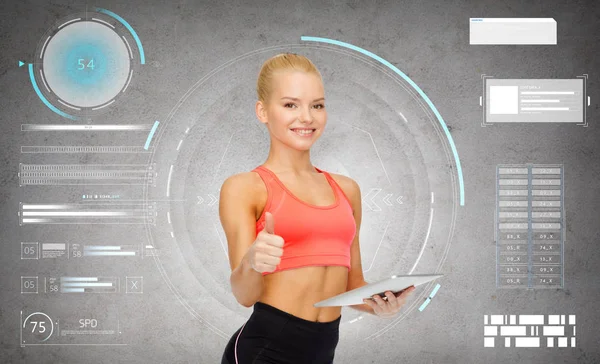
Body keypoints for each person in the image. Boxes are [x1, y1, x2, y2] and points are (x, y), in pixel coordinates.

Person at [219, 53, 415, 364]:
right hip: (266, 350)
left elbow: (354, 285)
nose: (307, 117)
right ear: (262, 111)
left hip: (322, 351)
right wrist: (252, 262)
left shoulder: (346, 189)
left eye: (317, 105)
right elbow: (244, 295)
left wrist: (379, 303)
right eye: (290, 105)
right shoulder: (245, 187)